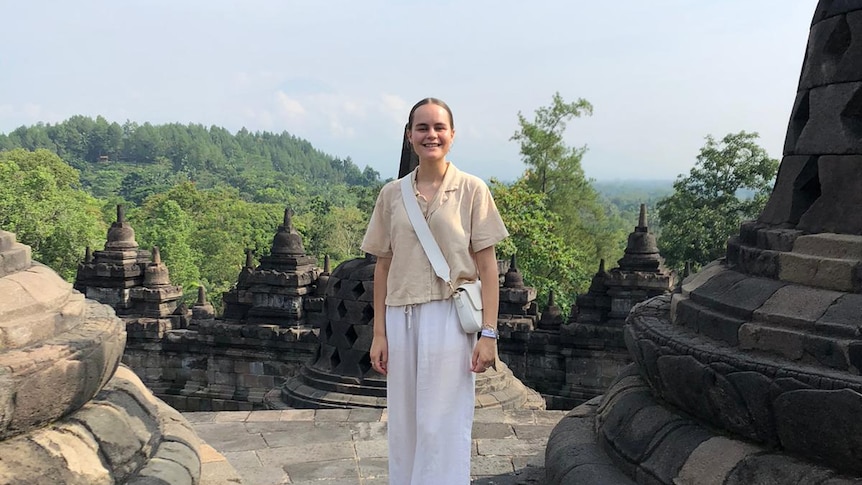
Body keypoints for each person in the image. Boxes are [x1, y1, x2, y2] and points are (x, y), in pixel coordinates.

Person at [360, 97, 508, 484]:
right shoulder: (392, 195)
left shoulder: (472, 190)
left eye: (439, 127)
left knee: (442, 423)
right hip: (400, 314)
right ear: (410, 137)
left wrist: (489, 333)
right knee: (405, 423)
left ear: (453, 135)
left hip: (450, 317)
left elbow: (488, 267)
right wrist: (379, 333)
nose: (431, 135)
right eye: (422, 128)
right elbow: (383, 264)